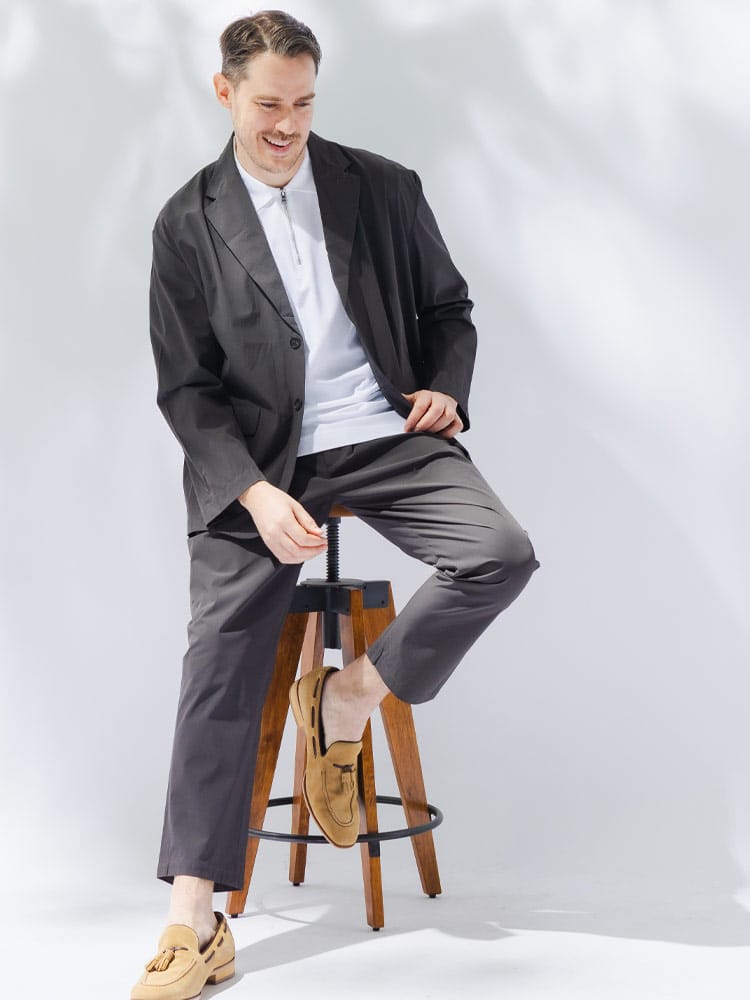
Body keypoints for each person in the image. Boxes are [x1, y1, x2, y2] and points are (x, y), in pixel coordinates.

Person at [131, 10, 541, 999]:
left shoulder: (382, 187)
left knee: (500, 551)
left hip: (386, 437)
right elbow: (187, 390)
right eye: (268, 105)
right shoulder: (186, 223)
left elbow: (449, 308)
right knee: (220, 653)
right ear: (225, 92)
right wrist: (254, 491)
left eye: (304, 104)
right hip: (262, 463)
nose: (287, 125)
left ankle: (348, 698)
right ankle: (194, 919)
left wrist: (444, 386)